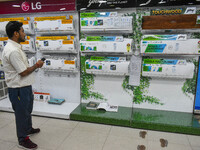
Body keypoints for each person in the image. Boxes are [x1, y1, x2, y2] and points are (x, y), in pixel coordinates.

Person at [2, 21, 44, 150]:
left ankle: (28, 129)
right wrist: (37, 65)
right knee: (21, 114)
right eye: (22, 31)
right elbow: (23, 72)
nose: (24, 34)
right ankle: (23, 139)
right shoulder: (13, 51)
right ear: (16, 33)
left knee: (27, 110)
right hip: (18, 88)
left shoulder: (16, 48)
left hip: (24, 86)